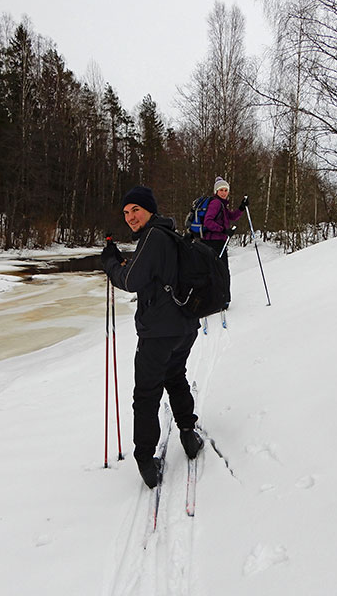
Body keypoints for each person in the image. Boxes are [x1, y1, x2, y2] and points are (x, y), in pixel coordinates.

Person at [101, 186, 205, 488]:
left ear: (150, 210)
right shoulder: (168, 234)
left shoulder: (153, 236)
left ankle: (147, 462)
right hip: (185, 327)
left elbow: (131, 280)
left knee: (146, 394)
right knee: (175, 377)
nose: (130, 217)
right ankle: (188, 434)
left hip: (159, 333)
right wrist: (122, 262)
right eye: (126, 212)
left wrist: (109, 263)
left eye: (135, 209)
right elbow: (147, 273)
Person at [200, 176, 248, 306]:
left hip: (218, 242)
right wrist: (223, 230)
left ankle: (219, 299)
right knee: (220, 271)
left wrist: (241, 208)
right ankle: (220, 300)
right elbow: (208, 222)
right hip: (213, 243)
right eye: (221, 190)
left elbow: (231, 217)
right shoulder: (216, 203)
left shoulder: (222, 204)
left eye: (226, 190)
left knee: (219, 271)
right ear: (216, 191)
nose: (224, 192)